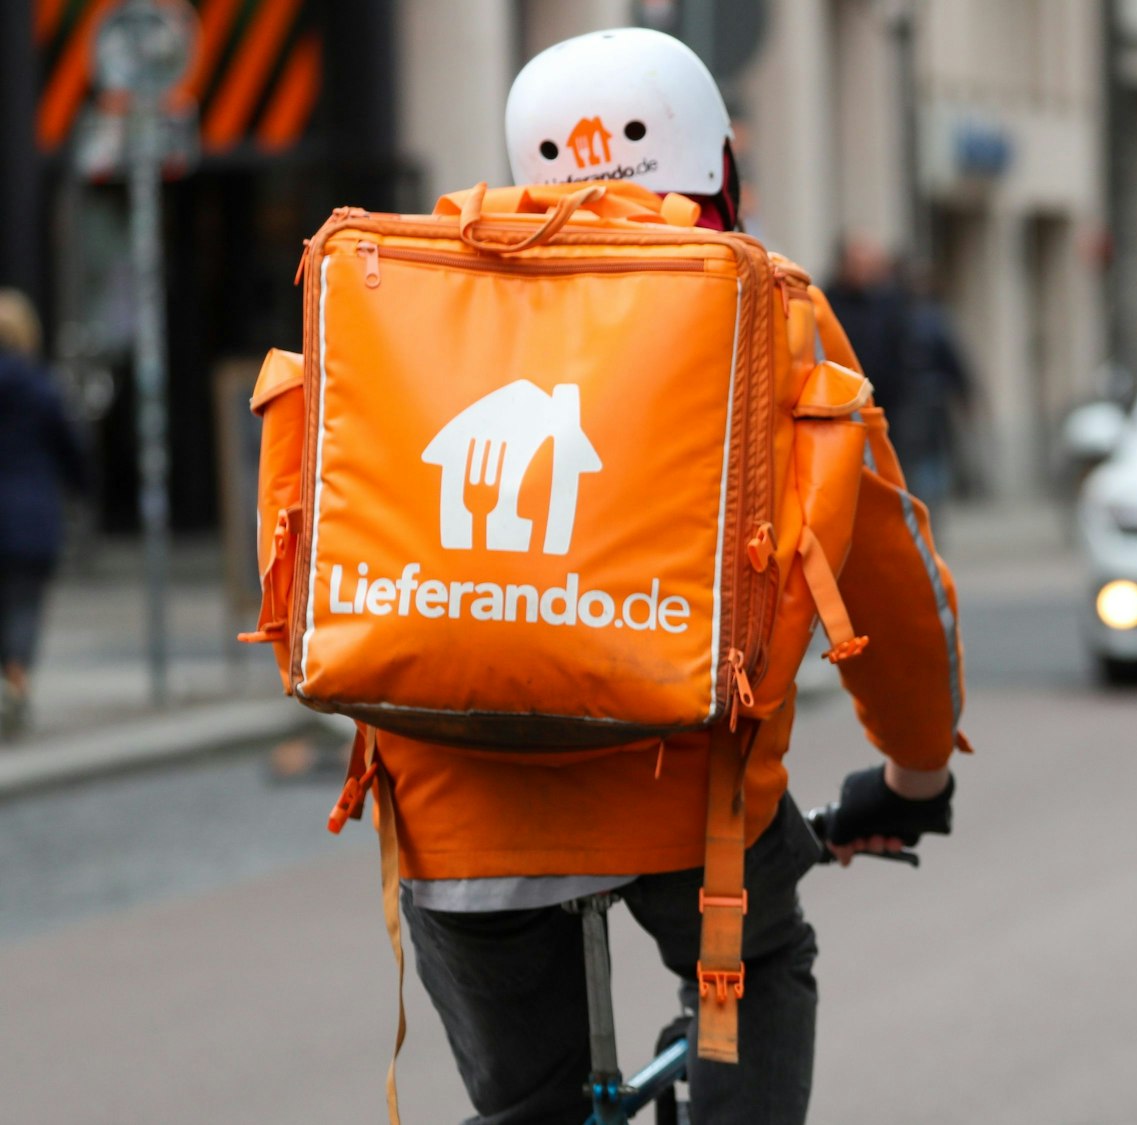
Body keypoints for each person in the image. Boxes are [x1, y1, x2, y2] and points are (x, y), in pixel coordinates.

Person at [384, 30, 967, 1125]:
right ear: (720, 168)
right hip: (692, 813)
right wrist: (915, 775)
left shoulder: (420, 305)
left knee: (533, 1107)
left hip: (456, 815)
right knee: (760, 959)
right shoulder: (773, 312)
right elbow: (889, 582)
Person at [824, 239, 972, 522]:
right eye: (858, 263)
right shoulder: (829, 301)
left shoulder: (891, 304)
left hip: (894, 407)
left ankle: (916, 521)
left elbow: (916, 353)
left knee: (906, 471)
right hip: (844, 407)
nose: (864, 270)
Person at [0, 289, 87, 739]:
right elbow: (71, 448)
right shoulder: (41, 387)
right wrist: (81, 487)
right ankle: (15, 681)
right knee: (24, 605)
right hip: (31, 516)